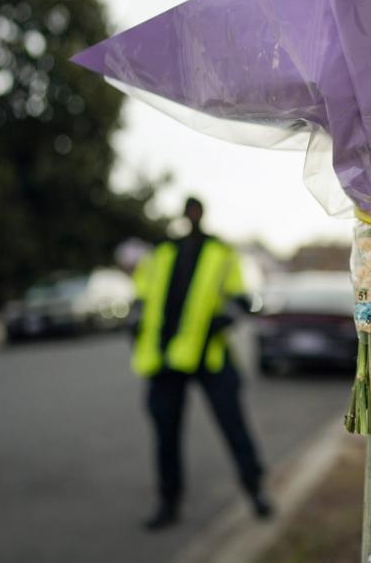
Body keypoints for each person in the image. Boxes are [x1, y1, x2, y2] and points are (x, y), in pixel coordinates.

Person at [131, 196, 272, 530]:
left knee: (234, 427)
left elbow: (238, 296)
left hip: (210, 356)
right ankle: (168, 502)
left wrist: (226, 318)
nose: (192, 216)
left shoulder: (221, 252)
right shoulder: (161, 252)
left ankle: (255, 491)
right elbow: (141, 296)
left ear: (202, 214)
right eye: (188, 211)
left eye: (197, 211)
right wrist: (135, 324)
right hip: (165, 359)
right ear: (183, 215)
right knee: (165, 436)